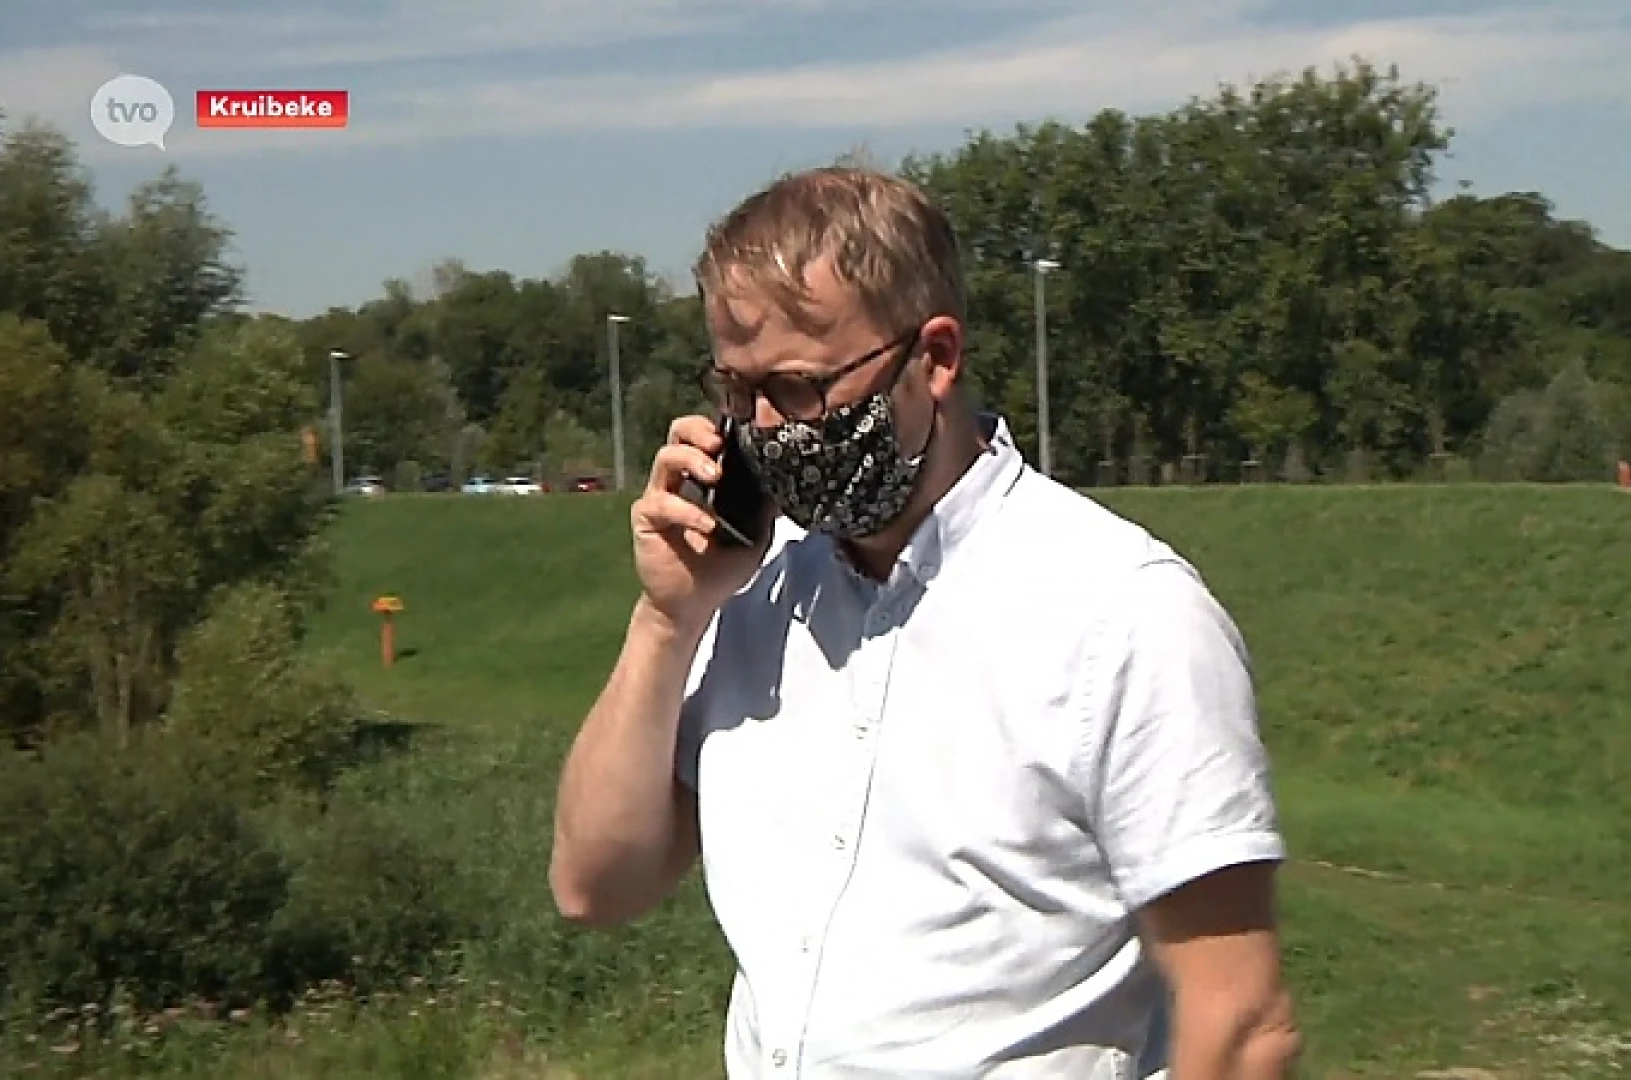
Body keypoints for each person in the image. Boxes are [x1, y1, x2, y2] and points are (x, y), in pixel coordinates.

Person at [549, 166, 1299, 1079]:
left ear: (934, 358)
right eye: (735, 393)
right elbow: (595, 885)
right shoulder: (749, 598)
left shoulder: (1123, 614)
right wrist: (668, 619)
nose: (762, 430)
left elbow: (1243, 1021)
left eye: (795, 388)